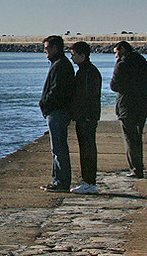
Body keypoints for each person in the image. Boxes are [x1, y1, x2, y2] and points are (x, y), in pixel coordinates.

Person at [111, 40, 147, 178]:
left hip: (126, 106)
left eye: (116, 52)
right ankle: (139, 166)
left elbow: (114, 86)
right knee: (137, 138)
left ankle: (136, 169)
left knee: (130, 139)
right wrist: (141, 88)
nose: (116, 56)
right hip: (142, 105)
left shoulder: (121, 65)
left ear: (122, 50)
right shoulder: (145, 64)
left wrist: (127, 88)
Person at [39, 35, 77, 192]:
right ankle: (57, 179)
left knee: (58, 148)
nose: (45, 52)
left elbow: (57, 91)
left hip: (58, 111)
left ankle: (61, 182)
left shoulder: (61, 65)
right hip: (57, 111)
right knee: (58, 147)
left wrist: (45, 105)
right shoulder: (60, 64)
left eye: (47, 49)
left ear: (55, 48)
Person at [69, 41, 102, 194]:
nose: (72, 58)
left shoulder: (87, 72)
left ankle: (89, 181)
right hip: (87, 116)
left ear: (83, 55)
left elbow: (87, 97)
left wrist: (85, 115)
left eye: (74, 55)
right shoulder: (88, 71)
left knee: (87, 149)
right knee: (87, 149)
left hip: (86, 117)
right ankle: (88, 181)